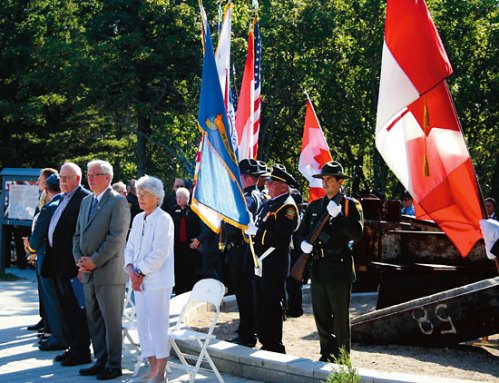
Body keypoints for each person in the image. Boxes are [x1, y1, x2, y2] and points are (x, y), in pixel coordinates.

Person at [297, 161, 364, 361]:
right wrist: (302, 244)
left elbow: (357, 233)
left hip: (339, 266)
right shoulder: (315, 206)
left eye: (329, 179)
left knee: (340, 316)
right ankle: (327, 352)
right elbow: (301, 232)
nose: (325, 183)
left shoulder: (350, 205)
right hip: (318, 266)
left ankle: (343, 356)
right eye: (323, 179)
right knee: (321, 313)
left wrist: (341, 217)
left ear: (340, 181)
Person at [74, 160, 131, 380]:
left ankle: (114, 365)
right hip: (88, 272)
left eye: (94, 174)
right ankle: (100, 360)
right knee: (94, 320)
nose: (90, 178)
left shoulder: (118, 202)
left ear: (107, 177)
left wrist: (94, 261)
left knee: (111, 321)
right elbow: (77, 235)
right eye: (88, 174)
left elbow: (116, 238)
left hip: (108, 272)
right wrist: (80, 260)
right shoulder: (87, 201)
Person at [124, 175, 174, 383]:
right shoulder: (137, 218)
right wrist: (130, 269)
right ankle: (152, 368)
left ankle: (161, 372)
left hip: (157, 282)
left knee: (157, 325)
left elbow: (159, 253)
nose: (141, 198)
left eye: (145, 195)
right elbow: (130, 247)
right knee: (143, 325)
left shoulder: (164, 219)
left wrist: (140, 273)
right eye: (139, 194)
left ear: (157, 197)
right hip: (137, 280)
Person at [245, 164, 300, 353]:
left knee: (272, 301)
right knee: (261, 300)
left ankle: (274, 344)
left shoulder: (288, 206)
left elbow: (282, 234)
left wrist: (257, 232)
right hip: (262, 260)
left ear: (283, 186)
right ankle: (264, 339)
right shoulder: (270, 203)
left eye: (272, 182)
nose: (267, 184)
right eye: (267, 181)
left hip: (274, 261)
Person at [46, 162, 92, 360]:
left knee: (77, 311)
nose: (62, 181)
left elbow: (84, 234)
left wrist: (80, 265)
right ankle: (72, 347)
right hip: (59, 264)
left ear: (78, 179)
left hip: (73, 266)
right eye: (61, 178)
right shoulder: (64, 198)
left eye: (66, 178)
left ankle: (81, 350)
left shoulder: (84, 199)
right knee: (65, 309)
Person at [225, 159, 266, 347]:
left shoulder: (248, 198)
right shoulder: (249, 196)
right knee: (245, 294)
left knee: (245, 295)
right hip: (241, 251)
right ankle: (247, 330)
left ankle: (248, 334)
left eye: (240, 176)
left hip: (242, 251)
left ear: (247, 178)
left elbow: (238, 225)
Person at [23, 174, 65, 348]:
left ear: (47, 191)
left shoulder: (49, 208)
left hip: (46, 258)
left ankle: (57, 336)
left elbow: (36, 239)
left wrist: (30, 248)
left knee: (51, 300)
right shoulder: (65, 204)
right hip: (62, 259)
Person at [170, 186, 201, 294]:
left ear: (186, 198)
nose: (178, 199)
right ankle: (178, 291)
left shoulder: (193, 210)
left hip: (190, 246)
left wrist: (198, 240)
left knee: (190, 270)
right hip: (176, 246)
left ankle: (189, 291)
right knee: (178, 270)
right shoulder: (172, 211)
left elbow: (198, 226)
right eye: (177, 197)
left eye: (181, 197)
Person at [286, 189, 308, 318]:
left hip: (296, 253)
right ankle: (294, 308)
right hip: (297, 252)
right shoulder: (302, 214)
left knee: (293, 283)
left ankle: (295, 309)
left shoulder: (293, 213)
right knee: (294, 284)